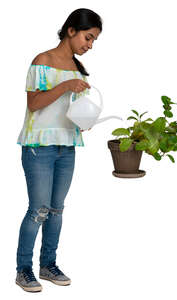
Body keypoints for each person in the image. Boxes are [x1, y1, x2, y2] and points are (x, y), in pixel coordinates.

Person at [15, 8, 102, 292]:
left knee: (56, 210)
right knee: (38, 210)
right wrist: (65, 85)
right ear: (71, 30)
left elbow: (72, 110)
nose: (89, 45)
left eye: (93, 41)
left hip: (67, 146)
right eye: (88, 37)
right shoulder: (43, 60)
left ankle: (48, 265)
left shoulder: (78, 69)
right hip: (39, 147)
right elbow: (34, 104)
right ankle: (23, 270)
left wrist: (84, 120)